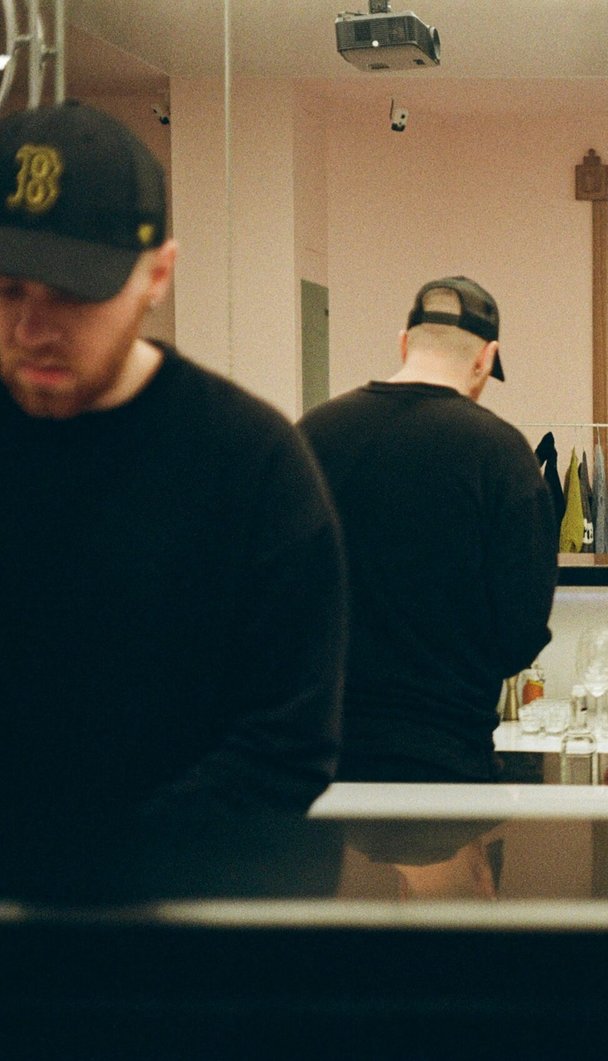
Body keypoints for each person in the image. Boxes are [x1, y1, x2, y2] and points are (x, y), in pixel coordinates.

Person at [0, 101, 346, 818]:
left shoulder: (252, 467)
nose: (31, 329)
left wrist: (98, 873)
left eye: (72, 294)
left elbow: (284, 747)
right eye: (7, 289)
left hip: (169, 913)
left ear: (158, 275)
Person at [299, 276, 557, 783]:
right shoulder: (502, 454)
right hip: (444, 751)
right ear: (486, 358)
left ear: (403, 342)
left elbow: (275, 598)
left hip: (320, 751)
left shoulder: (312, 434)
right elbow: (521, 629)